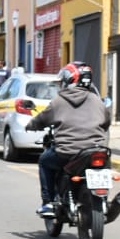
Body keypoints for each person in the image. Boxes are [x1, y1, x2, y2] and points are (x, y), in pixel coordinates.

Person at [26, 62, 111, 217]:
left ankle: (48, 203)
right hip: (95, 150)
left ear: (69, 80)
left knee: (44, 161)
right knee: (104, 162)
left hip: (67, 152)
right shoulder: (97, 101)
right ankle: (104, 199)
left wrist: (30, 125)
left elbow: (42, 120)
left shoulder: (59, 101)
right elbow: (106, 122)